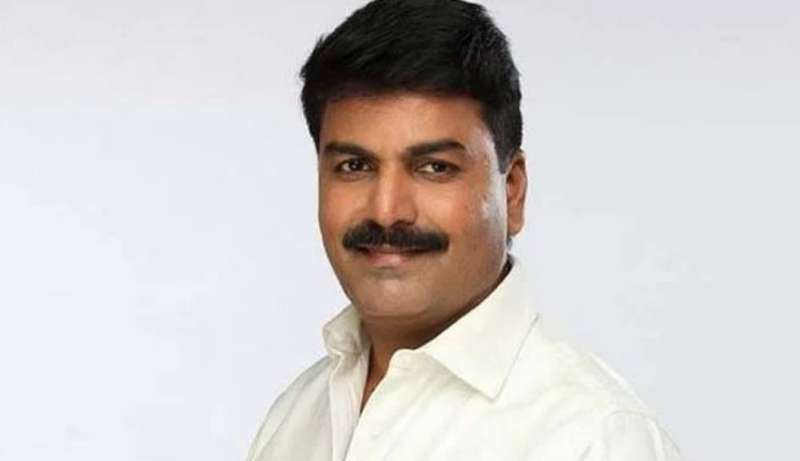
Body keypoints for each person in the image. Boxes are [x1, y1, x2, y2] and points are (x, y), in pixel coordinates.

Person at [247, 0, 680, 459]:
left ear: (512, 191)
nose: (387, 211)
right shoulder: (298, 416)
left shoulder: (595, 438)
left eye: (435, 167)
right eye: (355, 166)